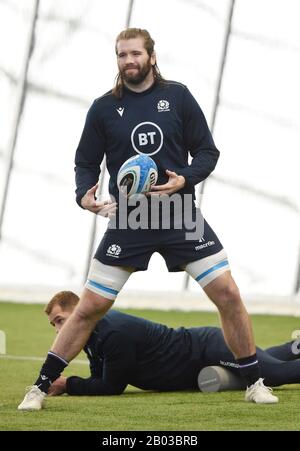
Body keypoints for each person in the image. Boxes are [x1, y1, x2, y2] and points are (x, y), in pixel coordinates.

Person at [18, 28, 277, 411]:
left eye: (135, 54)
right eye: (121, 55)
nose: (128, 61)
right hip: (130, 218)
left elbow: (207, 151)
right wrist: (84, 193)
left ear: (151, 56)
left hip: (179, 213)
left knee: (228, 294)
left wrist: (185, 178)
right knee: (89, 307)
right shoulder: (103, 108)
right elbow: (85, 162)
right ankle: (38, 389)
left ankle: (255, 382)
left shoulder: (178, 97)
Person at [43, 292, 300, 397]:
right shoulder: (92, 333)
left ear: (78, 311)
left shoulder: (112, 331)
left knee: (275, 374)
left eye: (60, 320)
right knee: (266, 360)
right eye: (54, 324)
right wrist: (76, 384)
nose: (58, 330)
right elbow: (99, 377)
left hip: (206, 349)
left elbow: (111, 386)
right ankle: (295, 346)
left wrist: (68, 384)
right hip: (201, 355)